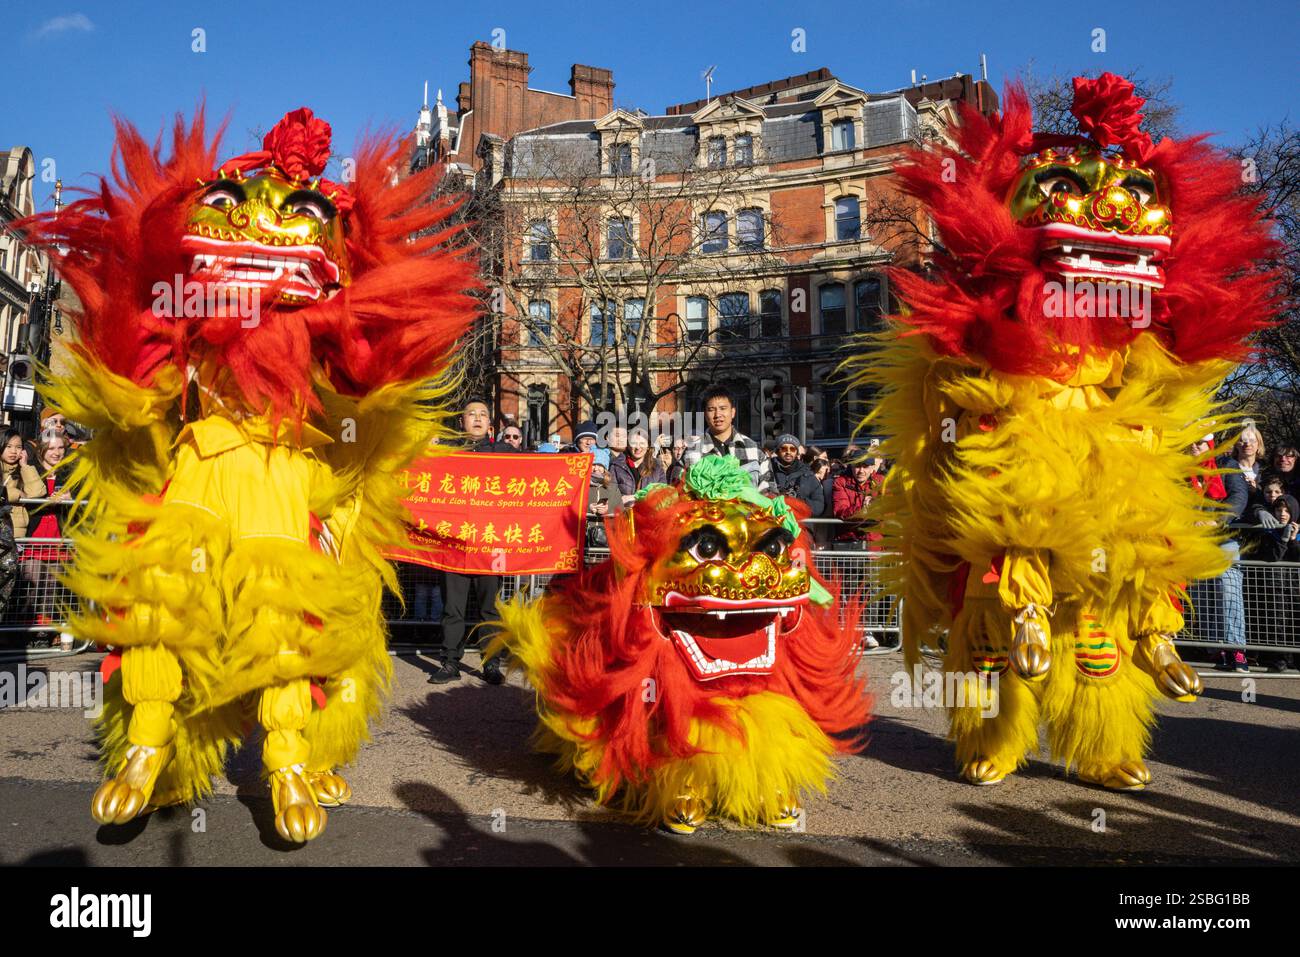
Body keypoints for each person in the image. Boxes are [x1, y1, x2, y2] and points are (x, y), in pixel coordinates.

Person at [431, 397, 510, 686]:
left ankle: (491, 663)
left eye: (482, 414)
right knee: (453, 607)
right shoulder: (447, 452)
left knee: (489, 608)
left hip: (490, 543)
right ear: (461, 421)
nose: (477, 418)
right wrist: (425, 449)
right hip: (454, 542)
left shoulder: (506, 452)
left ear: (491, 423)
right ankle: (450, 662)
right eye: (471, 414)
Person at [1188, 435, 1250, 673]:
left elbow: (1239, 496)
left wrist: (1216, 520)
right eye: (1191, 442)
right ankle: (1214, 646)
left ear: (1210, 445)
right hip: (1194, 539)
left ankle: (1236, 648)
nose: (1195, 447)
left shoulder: (1228, 465)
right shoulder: (1182, 469)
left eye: (1200, 443)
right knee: (1201, 592)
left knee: (1228, 588)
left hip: (1223, 537)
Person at [22, 432, 74, 643]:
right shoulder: (32, 470)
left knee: (51, 586)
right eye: (51, 448)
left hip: (59, 535)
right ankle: (23, 629)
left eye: (60, 448)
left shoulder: (68, 473)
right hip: (34, 534)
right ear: (42, 449)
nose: (56, 452)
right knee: (32, 579)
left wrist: (71, 498)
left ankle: (44, 632)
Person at [679, 384, 777, 494]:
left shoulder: (754, 449)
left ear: (733, 412)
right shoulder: (691, 451)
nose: (717, 414)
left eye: (723, 408)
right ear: (705, 415)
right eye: (711, 409)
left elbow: (769, 491)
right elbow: (678, 490)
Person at [1, 430, 45, 540]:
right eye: (8, 446)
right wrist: (17, 493)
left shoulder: (24, 470)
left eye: (18, 447)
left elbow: (37, 492)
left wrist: (25, 466)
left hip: (16, 535)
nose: (13, 451)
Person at [832, 457, 883, 546]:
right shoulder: (841, 482)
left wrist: (875, 507)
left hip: (874, 542)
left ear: (872, 469)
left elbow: (890, 510)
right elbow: (840, 511)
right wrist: (862, 510)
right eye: (858, 466)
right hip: (848, 541)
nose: (861, 471)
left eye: (865, 467)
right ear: (851, 467)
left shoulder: (881, 482)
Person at [771, 433, 824, 515]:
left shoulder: (808, 475)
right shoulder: (767, 471)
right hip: (773, 523)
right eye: (784, 448)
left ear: (797, 452)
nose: (788, 452)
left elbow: (818, 508)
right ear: (777, 451)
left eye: (792, 449)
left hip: (800, 525)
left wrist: (797, 499)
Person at [611, 428, 667, 505]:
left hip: (649, 514)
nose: (637, 447)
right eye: (634, 443)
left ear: (648, 446)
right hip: (623, 514)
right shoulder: (617, 465)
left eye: (642, 443)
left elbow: (663, 494)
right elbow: (611, 495)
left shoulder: (657, 467)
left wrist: (634, 497)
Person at [586, 448, 622, 549]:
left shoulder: (613, 488)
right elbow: (572, 508)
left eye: (600, 465)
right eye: (593, 465)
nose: (596, 469)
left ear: (605, 468)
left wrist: (608, 509)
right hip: (584, 539)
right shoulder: (581, 486)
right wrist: (589, 508)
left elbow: (621, 511)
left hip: (607, 540)